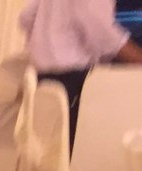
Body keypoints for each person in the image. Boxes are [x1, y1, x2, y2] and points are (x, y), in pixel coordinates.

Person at [20, 0, 142, 147]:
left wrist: (44, 42)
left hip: (44, 78)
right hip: (76, 81)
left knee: (52, 148)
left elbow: (25, 17)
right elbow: (105, 35)